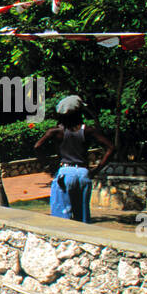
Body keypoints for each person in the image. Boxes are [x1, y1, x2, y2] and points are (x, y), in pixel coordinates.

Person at [33, 95, 114, 223]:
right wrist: (96, 170)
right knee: (82, 219)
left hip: (64, 173)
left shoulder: (56, 131)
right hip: (83, 174)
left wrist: (48, 166)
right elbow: (111, 148)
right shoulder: (87, 131)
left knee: (61, 218)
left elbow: (37, 147)